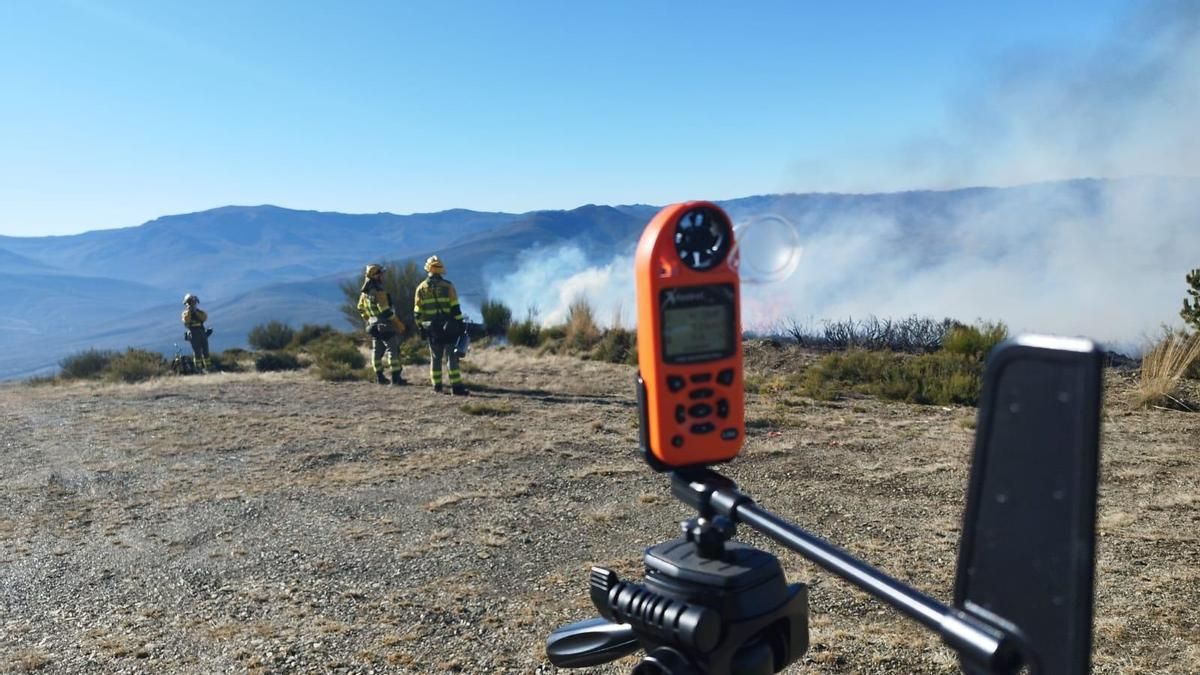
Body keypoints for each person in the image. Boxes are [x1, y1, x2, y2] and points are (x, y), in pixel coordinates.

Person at [414, 255, 468, 395]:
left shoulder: (421, 288)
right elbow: (455, 308)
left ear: (428, 270)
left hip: (432, 329)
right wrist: (460, 324)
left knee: (435, 358)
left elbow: (417, 312)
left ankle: (437, 386)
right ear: (440, 270)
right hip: (449, 328)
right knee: (451, 357)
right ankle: (456, 387)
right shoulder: (447, 286)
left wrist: (421, 327)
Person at [357, 264, 408, 385]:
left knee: (377, 351)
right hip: (384, 326)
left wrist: (368, 319)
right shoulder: (379, 292)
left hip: (373, 326)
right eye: (381, 274)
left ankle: (379, 377)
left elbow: (360, 308)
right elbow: (385, 310)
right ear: (375, 276)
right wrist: (397, 323)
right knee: (393, 351)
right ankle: (396, 379)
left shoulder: (364, 293)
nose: (383, 276)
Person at [181, 294, 212, 372]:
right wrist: (190, 312)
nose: (193, 304)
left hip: (202, 332)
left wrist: (195, 312)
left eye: (194, 302)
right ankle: (198, 368)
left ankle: (208, 367)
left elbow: (204, 318)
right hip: (193, 333)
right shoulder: (185, 313)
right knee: (197, 352)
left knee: (206, 351)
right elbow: (186, 320)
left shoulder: (200, 312)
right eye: (191, 302)